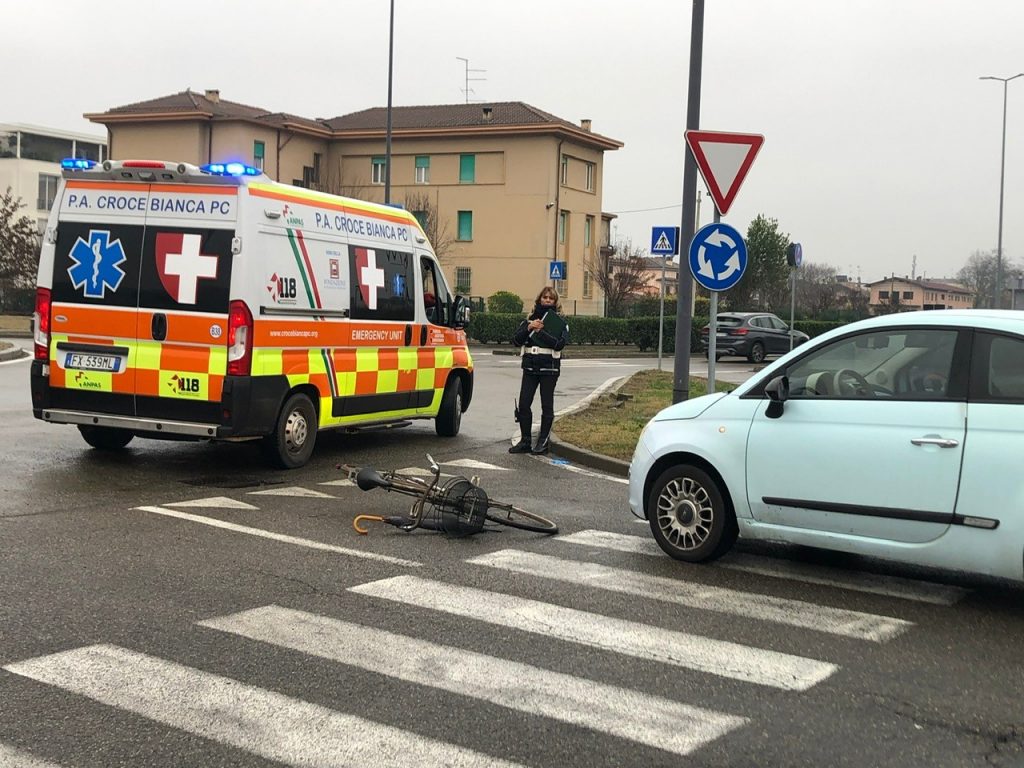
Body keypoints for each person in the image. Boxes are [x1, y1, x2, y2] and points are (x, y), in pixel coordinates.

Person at [509, 286, 570, 455]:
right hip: (530, 366)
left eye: (551, 298)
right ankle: (526, 441)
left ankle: (542, 442)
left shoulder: (561, 323)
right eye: (545, 297)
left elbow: (559, 344)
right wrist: (529, 328)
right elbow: (515, 340)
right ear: (539, 299)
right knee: (524, 404)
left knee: (546, 405)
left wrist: (540, 332)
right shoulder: (528, 320)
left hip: (549, 368)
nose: (547, 301)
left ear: (555, 302)